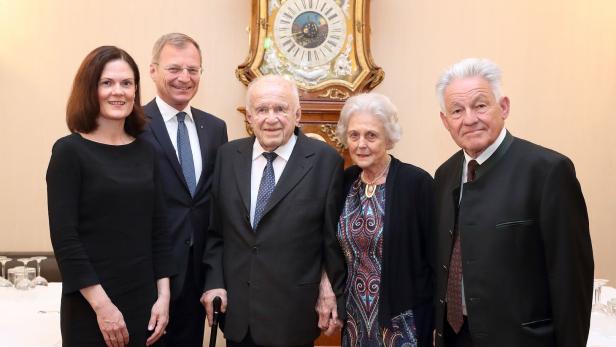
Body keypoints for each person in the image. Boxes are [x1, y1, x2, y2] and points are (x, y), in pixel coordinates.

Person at [433, 58, 593, 347]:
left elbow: (571, 282)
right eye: (457, 111)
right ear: (446, 121)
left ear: (503, 107)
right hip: (456, 337)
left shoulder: (547, 171)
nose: (469, 119)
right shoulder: (444, 175)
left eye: (480, 105)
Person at [201, 75, 347, 346]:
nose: (271, 118)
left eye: (280, 109)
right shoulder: (227, 156)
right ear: (249, 117)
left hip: (293, 316)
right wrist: (214, 282)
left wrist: (330, 288)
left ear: (297, 114)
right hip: (238, 316)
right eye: (262, 109)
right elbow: (216, 233)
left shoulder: (325, 161)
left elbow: (333, 239)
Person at [46, 46, 176, 347]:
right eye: (107, 83)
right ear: (90, 89)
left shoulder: (147, 151)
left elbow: (159, 230)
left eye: (126, 83)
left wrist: (164, 297)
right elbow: (66, 239)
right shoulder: (69, 151)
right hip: (91, 306)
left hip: (146, 304)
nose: (118, 92)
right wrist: (103, 307)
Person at [139, 32, 228, 347]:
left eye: (193, 70)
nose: (184, 78)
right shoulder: (132, 125)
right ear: (153, 71)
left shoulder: (216, 128)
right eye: (174, 69)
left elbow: (218, 203)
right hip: (148, 276)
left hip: (197, 278)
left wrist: (215, 276)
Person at [335, 93, 434, 347]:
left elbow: (435, 258)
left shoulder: (416, 183)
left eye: (371, 135)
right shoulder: (345, 182)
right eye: (354, 135)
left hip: (402, 320)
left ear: (388, 139)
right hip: (355, 319)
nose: (361, 144)